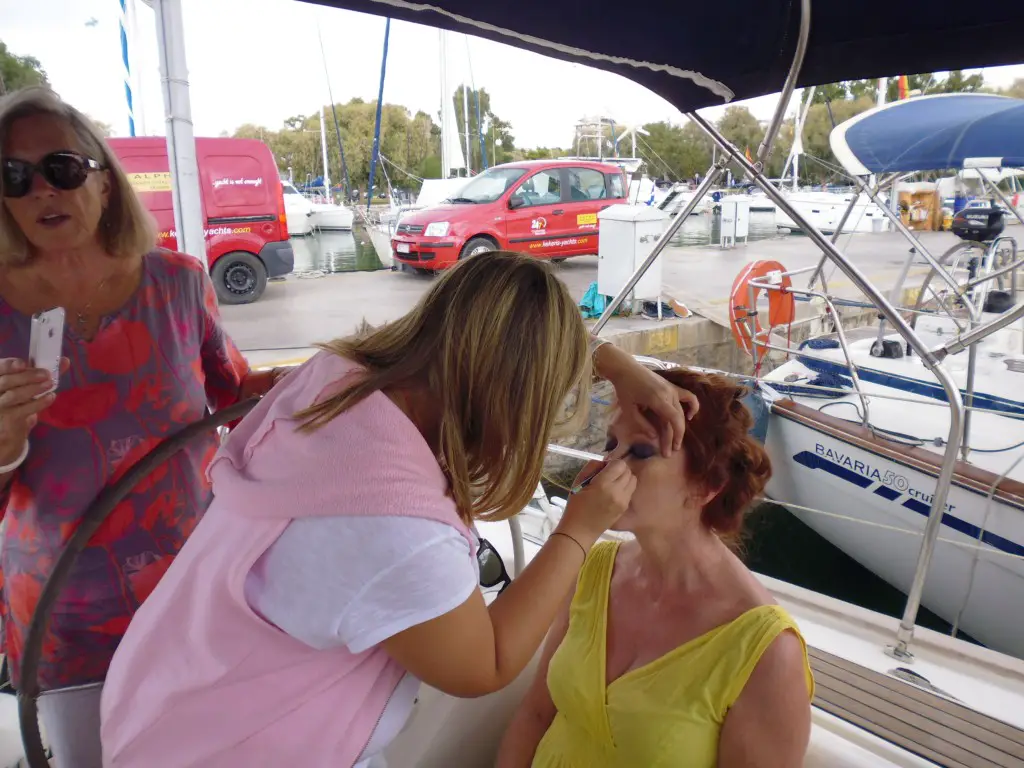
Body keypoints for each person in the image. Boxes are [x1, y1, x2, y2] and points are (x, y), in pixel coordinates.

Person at [100, 250, 697, 767]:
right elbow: (483, 666)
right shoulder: (391, 525)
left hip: (172, 707)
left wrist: (616, 364)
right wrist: (577, 530)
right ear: (517, 399)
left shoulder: (335, 382)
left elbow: (493, 340)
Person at [0, 86, 280, 765]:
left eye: (61, 167)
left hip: (196, 590)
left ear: (102, 178)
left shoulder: (179, 283)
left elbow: (235, 397)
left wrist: (319, 386)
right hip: (62, 616)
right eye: (13, 175)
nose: (42, 190)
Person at [498, 368, 815, 768]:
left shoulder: (766, 652)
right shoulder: (593, 569)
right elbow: (536, 714)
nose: (609, 467)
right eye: (611, 444)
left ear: (706, 486)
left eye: (641, 452)